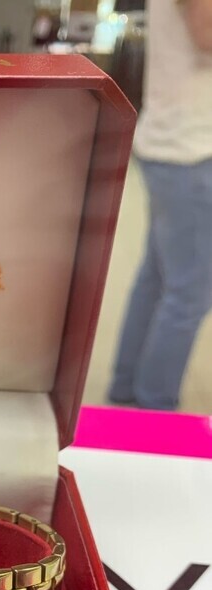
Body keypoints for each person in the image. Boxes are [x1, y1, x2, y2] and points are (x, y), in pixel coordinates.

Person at [109, 0, 212, 410]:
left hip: (177, 140)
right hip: (189, 147)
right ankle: (155, 407)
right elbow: (206, 34)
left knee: (158, 280)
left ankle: (127, 391)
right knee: (189, 293)